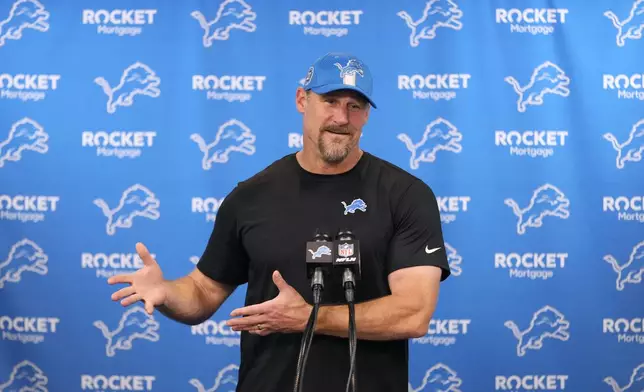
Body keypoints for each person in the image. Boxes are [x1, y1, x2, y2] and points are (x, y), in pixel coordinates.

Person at [107, 52, 451, 392]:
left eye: (355, 106)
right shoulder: (251, 197)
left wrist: (309, 318)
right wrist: (167, 292)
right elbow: (202, 290)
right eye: (330, 101)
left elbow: (413, 312)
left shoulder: (405, 195)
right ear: (302, 100)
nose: (342, 117)